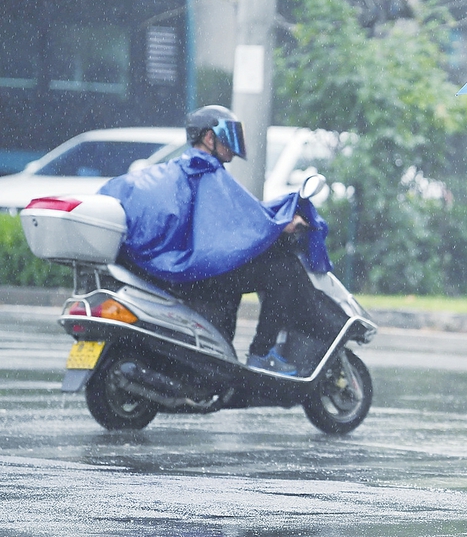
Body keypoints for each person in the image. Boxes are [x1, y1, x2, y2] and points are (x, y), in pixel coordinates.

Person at [98, 105, 347, 375]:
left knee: (241, 274)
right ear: (208, 138)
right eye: (227, 134)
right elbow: (243, 223)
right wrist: (281, 224)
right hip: (195, 273)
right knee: (281, 270)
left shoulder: (173, 171)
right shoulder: (206, 171)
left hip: (171, 272)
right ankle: (262, 354)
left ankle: (222, 358)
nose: (232, 144)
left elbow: (232, 220)